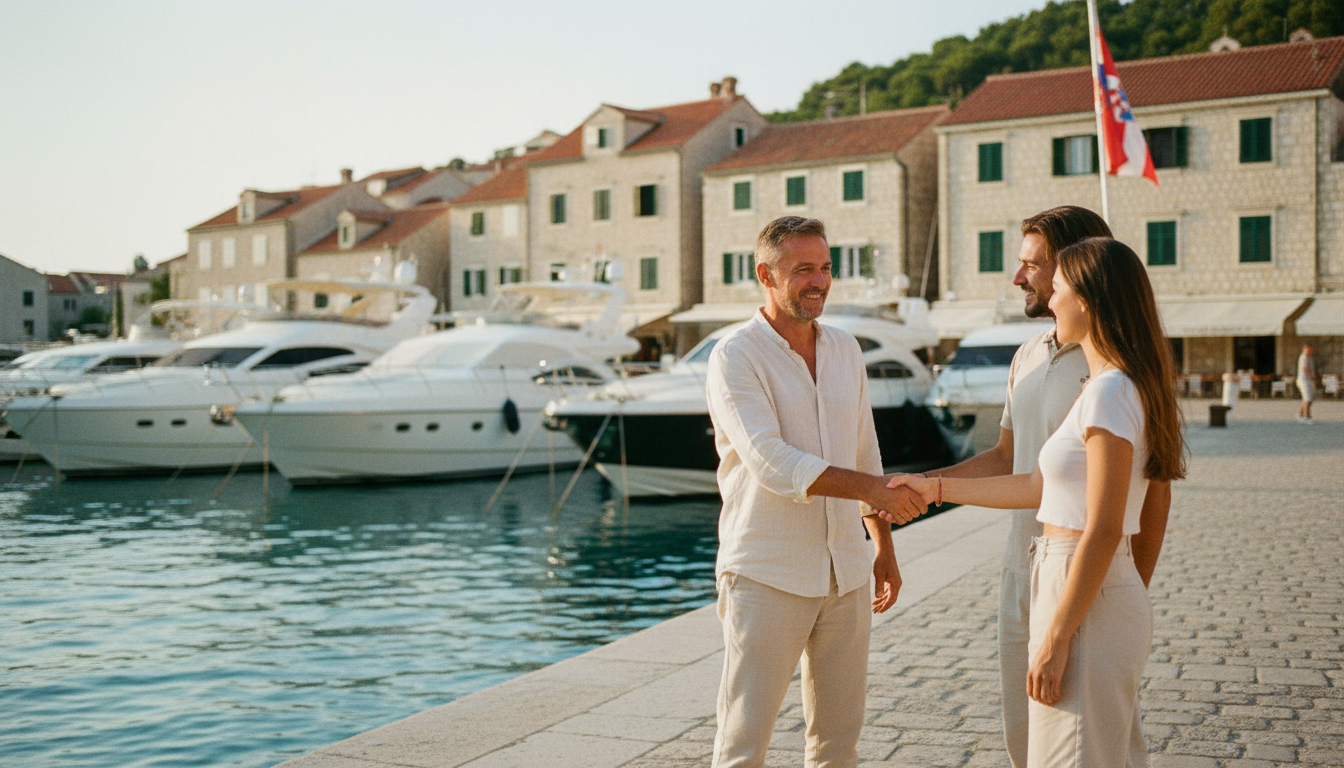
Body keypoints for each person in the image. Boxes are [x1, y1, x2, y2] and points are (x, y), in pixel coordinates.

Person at [884, 237, 1187, 767]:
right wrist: (932, 488)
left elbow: (1104, 526)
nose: (1050, 301)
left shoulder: (1109, 392)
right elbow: (1037, 488)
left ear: (1088, 300)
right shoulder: (1113, 386)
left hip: (1081, 591)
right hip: (1071, 585)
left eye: (1061, 289)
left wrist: (1056, 635)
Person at [705, 215, 927, 768]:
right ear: (766, 274)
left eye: (825, 268)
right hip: (766, 572)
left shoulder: (846, 349)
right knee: (743, 742)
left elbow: (864, 453)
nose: (819, 281)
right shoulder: (735, 355)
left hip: (847, 571)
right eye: (803, 269)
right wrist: (873, 489)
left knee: (837, 743)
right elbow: (770, 462)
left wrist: (883, 547)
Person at [1297, 345, 1316, 424]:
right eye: (1308, 350)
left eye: (1310, 350)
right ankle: (1306, 416)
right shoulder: (1304, 357)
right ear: (1304, 350)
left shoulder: (1309, 358)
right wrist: (1312, 376)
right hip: (1304, 380)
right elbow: (1305, 368)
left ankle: (1300, 415)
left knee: (1307, 399)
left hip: (1309, 381)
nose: (1310, 352)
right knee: (1308, 399)